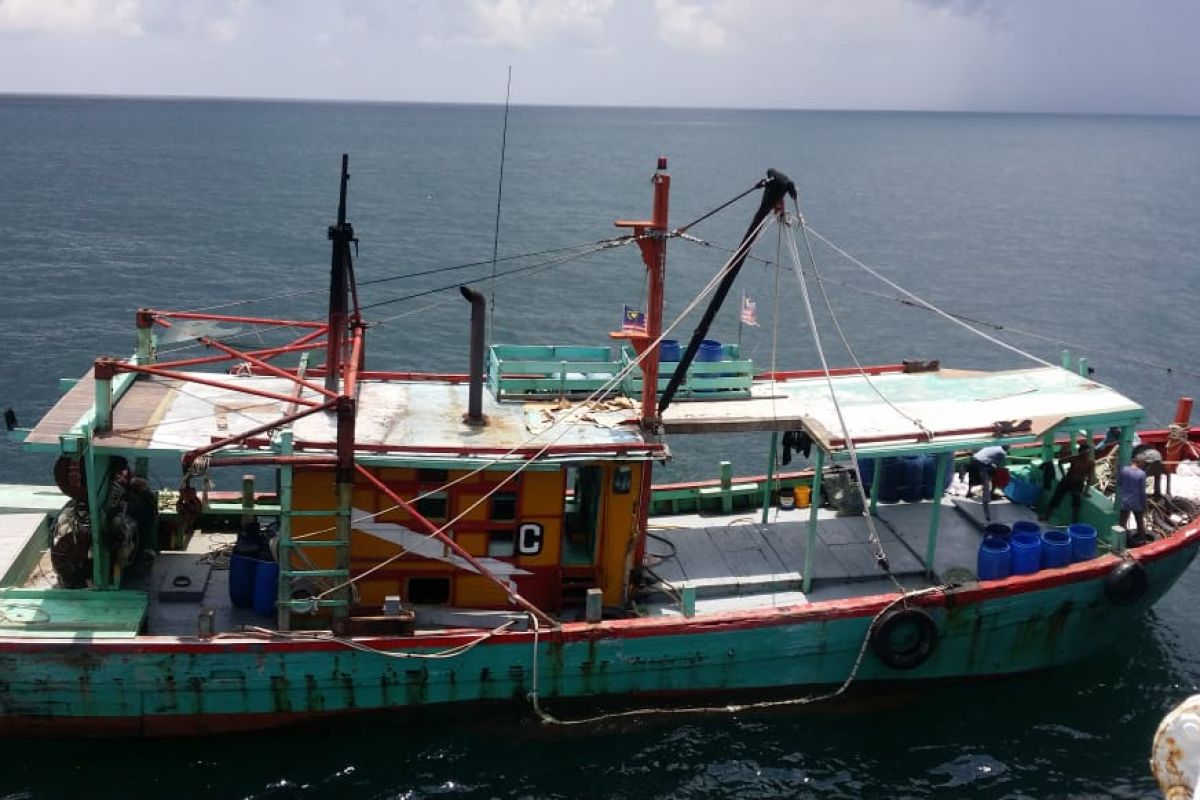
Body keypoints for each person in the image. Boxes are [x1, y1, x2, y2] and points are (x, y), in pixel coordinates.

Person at [1040, 443, 1095, 523]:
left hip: (1078, 484)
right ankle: (1046, 516)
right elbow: (1060, 462)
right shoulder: (1074, 458)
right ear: (1081, 452)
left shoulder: (1091, 463)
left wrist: (1086, 491)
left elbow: (1090, 478)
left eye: (1088, 452)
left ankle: (1074, 521)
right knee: (1056, 497)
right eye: (1086, 452)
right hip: (1067, 481)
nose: (1087, 454)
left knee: (1076, 499)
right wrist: (1063, 474)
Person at [968, 444, 1008, 522]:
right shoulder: (1003, 453)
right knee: (996, 474)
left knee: (973, 476)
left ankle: (969, 492)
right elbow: (998, 467)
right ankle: (989, 494)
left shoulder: (993, 446)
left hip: (973, 460)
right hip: (982, 465)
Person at [1118, 456, 1149, 544]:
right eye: (1143, 463)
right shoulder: (1142, 474)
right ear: (1139, 463)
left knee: (1122, 523)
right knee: (1139, 522)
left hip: (1124, 501)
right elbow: (1142, 492)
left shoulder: (1123, 470)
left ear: (1132, 461)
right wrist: (1145, 506)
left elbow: (1119, 483)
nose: (1143, 465)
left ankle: (1122, 542)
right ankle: (1143, 541)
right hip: (1136, 502)